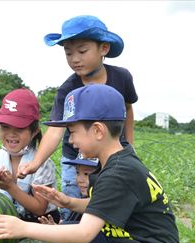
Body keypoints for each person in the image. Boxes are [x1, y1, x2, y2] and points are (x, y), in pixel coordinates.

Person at [0, 85, 180, 243]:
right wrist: (69, 202)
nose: (70, 140)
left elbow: (85, 234)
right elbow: (105, 205)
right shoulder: (114, 162)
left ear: (98, 130)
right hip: (121, 241)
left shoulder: (119, 172)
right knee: (60, 236)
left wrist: (23, 227)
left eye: (73, 132)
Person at [18, 15, 138, 220]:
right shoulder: (67, 90)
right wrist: (35, 163)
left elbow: (127, 110)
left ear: (104, 48)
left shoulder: (122, 77)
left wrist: (129, 146)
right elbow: (55, 131)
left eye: (82, 51)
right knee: (73, 206)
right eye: (68, 53)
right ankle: (70, 239)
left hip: (112, 156)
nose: (75, 59)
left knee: (112, 203)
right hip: (77, 159)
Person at [0, 88, 60, 222]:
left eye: (19, 128)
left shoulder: (41, 163)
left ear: (34, 132)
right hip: (9, 219)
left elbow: (39, 208)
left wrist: (11, 187)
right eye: (5, 127)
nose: (11, 134)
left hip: (40, 223)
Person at [38, 153, 98, 225]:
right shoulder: (81, 201)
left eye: (86, 174)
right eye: (77, 172)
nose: (79, 180)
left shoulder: (103, 203)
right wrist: (56, 228)